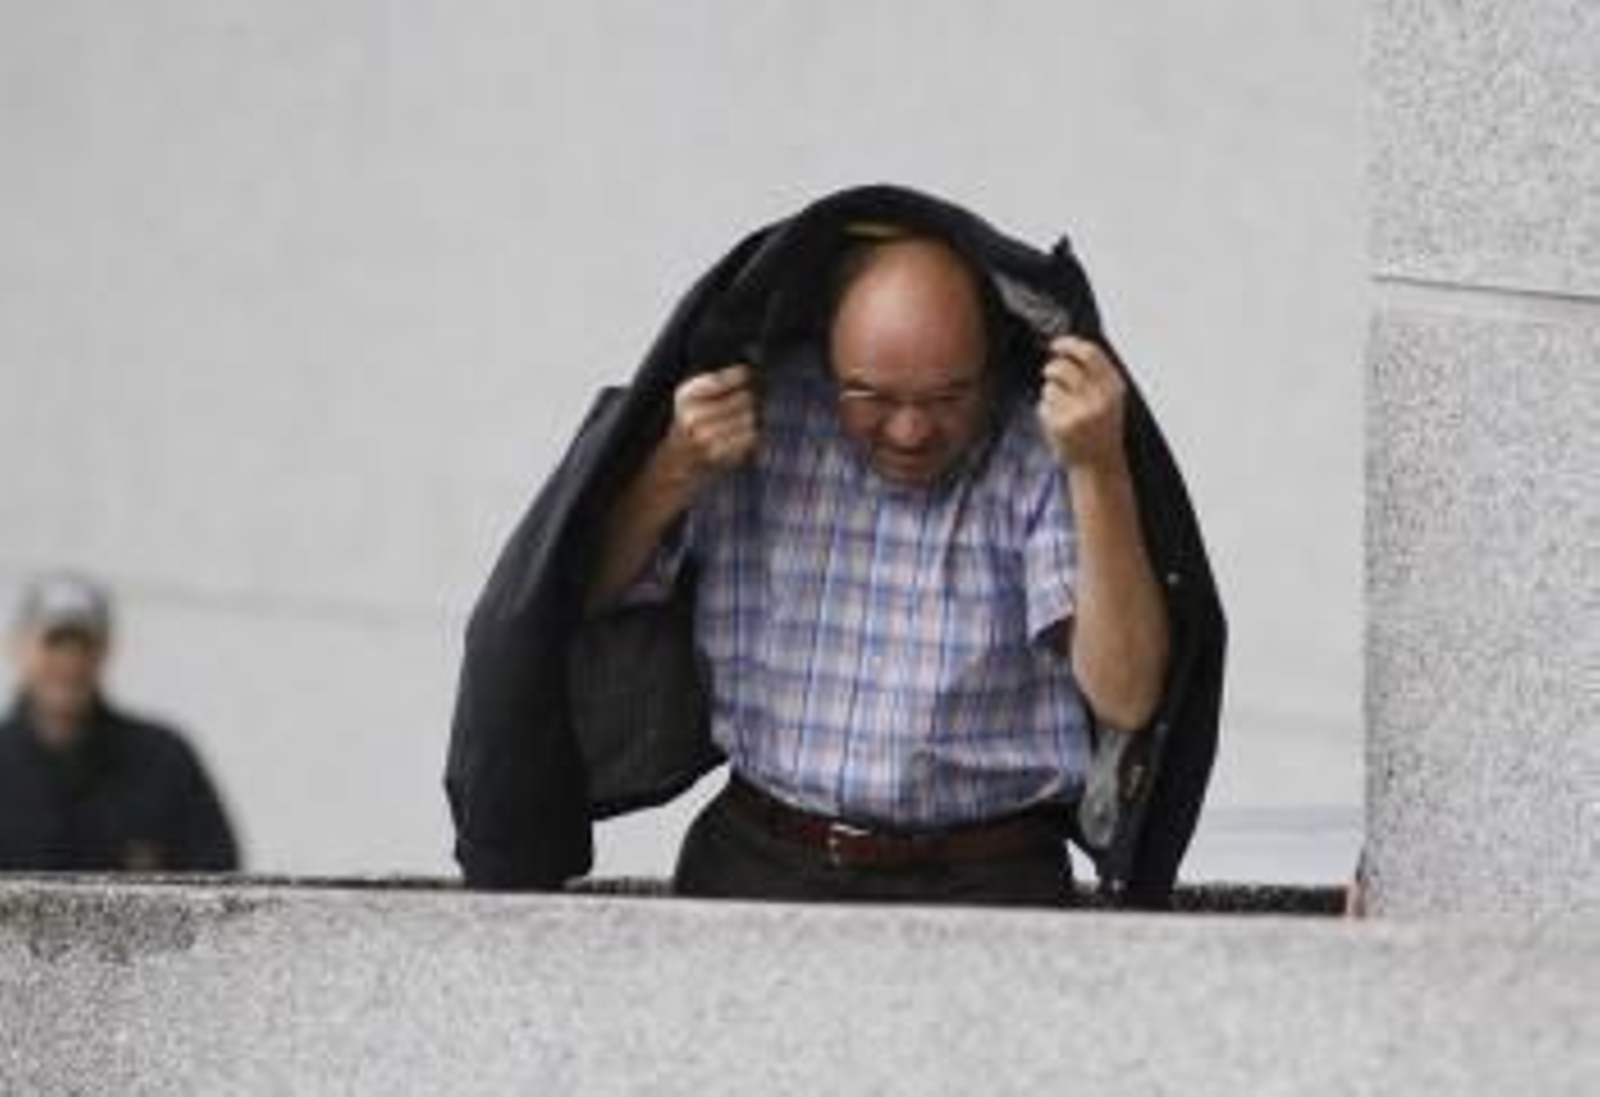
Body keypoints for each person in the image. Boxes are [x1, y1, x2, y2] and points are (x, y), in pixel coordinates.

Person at [446, 184, 1225, 906]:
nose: (912, 428)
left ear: (994, 363)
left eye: (948, 396)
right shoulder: (755, 413)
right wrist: (670, 471)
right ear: (827, 357)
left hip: (989, 877)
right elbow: (573, 598)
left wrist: (1099, 467)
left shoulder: (1041, 440)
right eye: (872, 396)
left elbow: (1126, 693)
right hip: (759, 861)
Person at [0, 572, 239, 872]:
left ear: (106, 651)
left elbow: (218, 883)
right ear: (16, 647)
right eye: (54, 644)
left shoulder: (164, 761)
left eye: (83, 646)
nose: (69, 662)